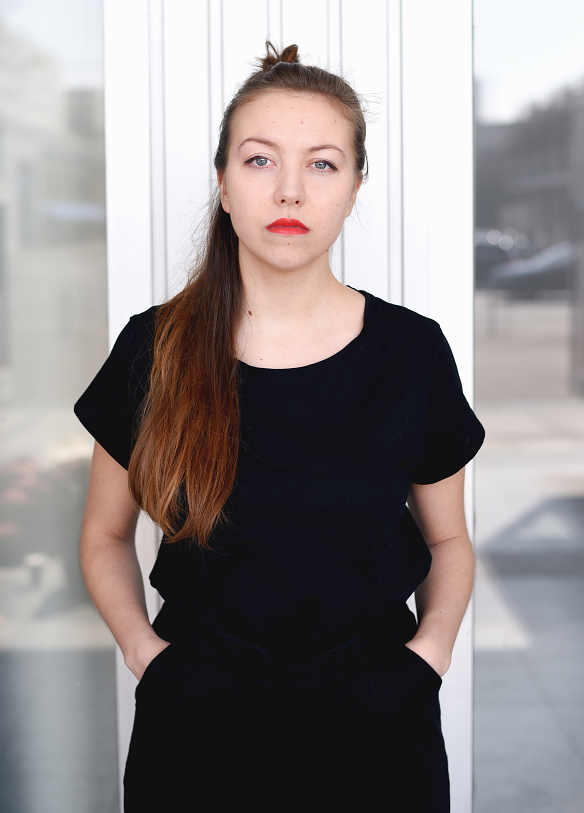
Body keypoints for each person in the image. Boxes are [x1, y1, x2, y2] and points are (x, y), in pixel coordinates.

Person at [75, 43, 484, 813]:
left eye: (322, 164)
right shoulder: (154, 348)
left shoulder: (410, 353)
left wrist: (425, 658)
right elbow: (102, 535)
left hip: (374, 719)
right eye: (259, 160)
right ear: (224, 185)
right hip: (196, 721)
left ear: (354, 189)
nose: (289, 189)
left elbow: (448, 540)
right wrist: (147, 655)